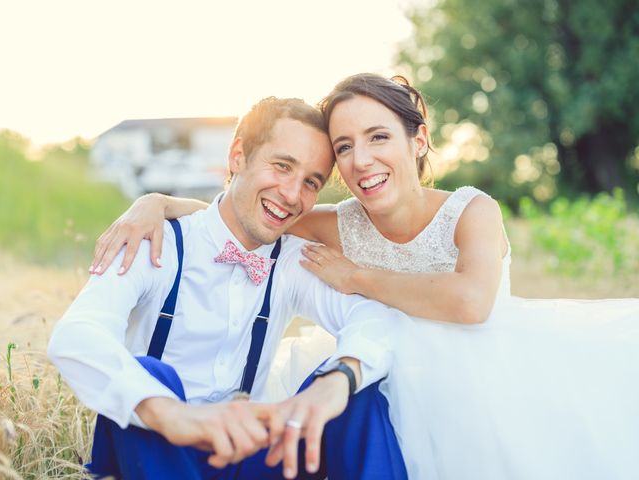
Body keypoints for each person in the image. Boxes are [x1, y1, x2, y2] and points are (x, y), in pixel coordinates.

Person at [91, 74, 639, 480]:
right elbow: (246, 214)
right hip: (381, 374)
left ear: (417, 141)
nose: (360, 160)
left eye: (378, 137)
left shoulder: (471, 212)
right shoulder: (337, 222)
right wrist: (156, 202)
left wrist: (358, 277)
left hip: (480, 380)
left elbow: (472, 302)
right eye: (345, 147)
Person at [48, 96, 412, 480]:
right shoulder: (157, 241)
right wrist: (172, 415)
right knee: (151, 373)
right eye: (281, 166)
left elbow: (373, 317)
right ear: (238, 156)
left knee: (358, 392)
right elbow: (76, 334)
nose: (291, 195)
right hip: (153, 450)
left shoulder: (292, 261)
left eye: (310, 182)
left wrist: (341, 379)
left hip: (247, 454)